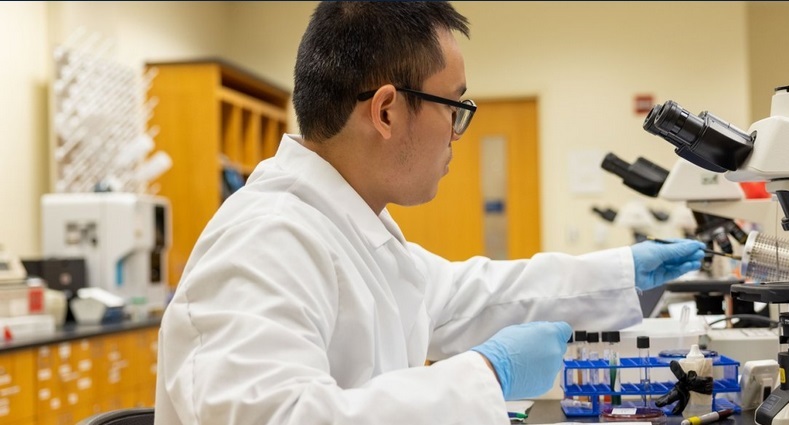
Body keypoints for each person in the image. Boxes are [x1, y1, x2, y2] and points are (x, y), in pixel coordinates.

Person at [154, 2, 705, 424]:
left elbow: (470, 295)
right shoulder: (264, 241)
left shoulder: (350, 230)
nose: (457, 135)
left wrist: (622, 273)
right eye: (456, 107)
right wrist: (486, 375)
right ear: (388, 111)